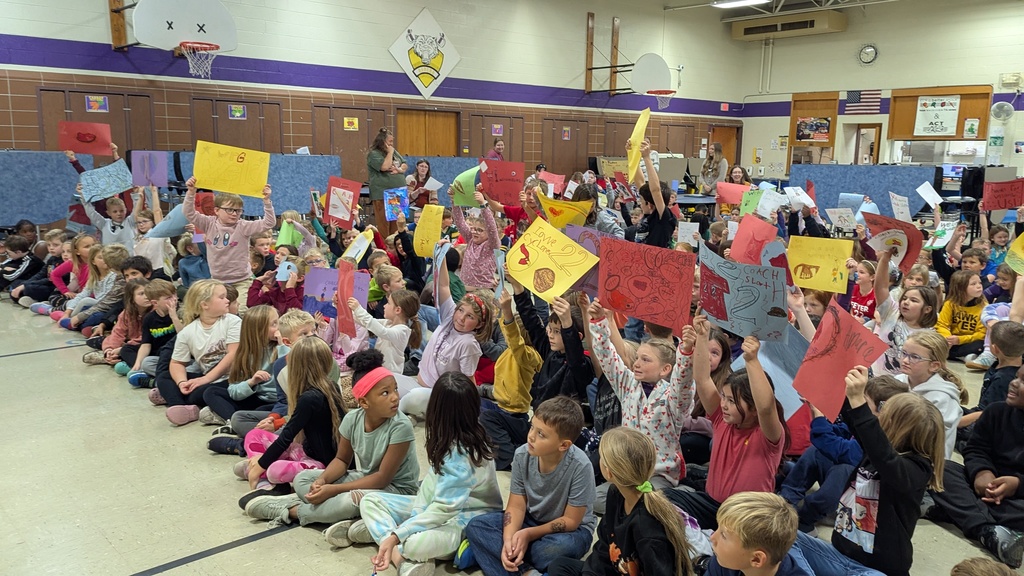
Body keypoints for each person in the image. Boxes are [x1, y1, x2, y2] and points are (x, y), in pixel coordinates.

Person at [243, 349, 420, 534]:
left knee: (352, 500)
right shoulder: (352, 419)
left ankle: (292, 511)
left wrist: (334, 490)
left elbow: (382, 478)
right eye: (385, 393)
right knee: (303, 479)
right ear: (364, 402)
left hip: (396, 490)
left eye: (395, 389)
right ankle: (340, 512)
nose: (395, 397)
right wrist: (322, 480)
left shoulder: (401, 426)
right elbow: (342, 460)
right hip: (365, 478)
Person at [792, 366, 945, 576]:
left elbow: (883, 455)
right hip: (840, 554)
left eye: (883, 415)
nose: (876, 419)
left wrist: (859, 403)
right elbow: (854, 421)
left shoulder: (916, 469)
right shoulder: (875, 450)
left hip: (877, 570)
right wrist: (829, 387)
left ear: (894, 425)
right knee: (779, 536)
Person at [357, 372, 503, 576]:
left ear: (436, 408)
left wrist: (400, 534)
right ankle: (393, 545)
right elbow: (429, 491)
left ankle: (391, 545)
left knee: (414, 544)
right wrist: (408, 525)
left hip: (467, 520)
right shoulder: (449, 436)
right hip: (436, 508)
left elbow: (444, 510)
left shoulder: (463, 454)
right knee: (370, 501)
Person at [665, 317, 788, 529]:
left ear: (752, 406)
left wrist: (752, 361)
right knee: (660, 499)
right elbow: (703, 379)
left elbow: (766, 407)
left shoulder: (767, 435)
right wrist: (702, 337)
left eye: (731, 401)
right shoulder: (723, 420)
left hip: (747, 517)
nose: (723, 404)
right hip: (713, 506)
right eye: (723, 397)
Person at [463, 396, 596, 575]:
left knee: (557, 549)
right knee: (477, 526)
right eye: (532, 427)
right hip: (530, 519)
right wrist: (510, 539)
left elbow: (571, 521)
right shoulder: (521, 455)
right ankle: (525, 570)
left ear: (563, 445)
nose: (531, 436)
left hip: (570, 531)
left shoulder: (581, 466)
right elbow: (516, 506)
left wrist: (527, 535)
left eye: (541, 434)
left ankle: (490, 553)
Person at [588, 298, 696, 511]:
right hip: (626, 472)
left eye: (645, 360)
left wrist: (686, 351)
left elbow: (683, 382)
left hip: (658, 475)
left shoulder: (672, 398)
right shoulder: (627, 384)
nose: (636, 363)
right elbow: (608, 357)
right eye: (637, 358)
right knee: (593, 501)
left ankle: (678, 495)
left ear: (665, 369)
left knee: (648, 505)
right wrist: (598, 320)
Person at [546, 427, 697, 576]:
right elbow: (605, 546)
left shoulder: (647, 528)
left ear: (609, 472)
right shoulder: (615, 494)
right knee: (559, 566)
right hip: (615, 568)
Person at [779, 376, 909, 533]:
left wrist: (818, 415)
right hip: (845, 483)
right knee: (816, 452)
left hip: (856, 504)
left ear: (883, 411)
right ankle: (786, 500)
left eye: (864, 402)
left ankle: (805, 520)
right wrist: (820, 412)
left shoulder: (881, 442)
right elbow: (839, 432)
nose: (858, 405)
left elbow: (837, 449)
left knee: (844, 469)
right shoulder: (868, 424)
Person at [237, 336, 344, 496]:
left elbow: (286, 436)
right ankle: (258, 467)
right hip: (306, 451)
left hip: (321, 465)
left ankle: (260, 475)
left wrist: (262, 465)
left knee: (274, 470)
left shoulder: (311, 397)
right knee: (254, 434)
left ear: (295, 365)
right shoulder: (318, 388)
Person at [400, 243, 492, 419]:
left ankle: (424, 415)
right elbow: (443, 285)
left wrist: (472, 410)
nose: (462, 318)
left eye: (470, 317)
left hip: (436, 396)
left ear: (479, 324)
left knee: (403, 403)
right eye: (461, 310)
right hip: (418, 384)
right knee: (383, 380)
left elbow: (468, 380)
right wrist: (441, 256)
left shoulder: (468, 344)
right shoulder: (450, 315)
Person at [183, 176, 275, 314]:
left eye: (238, 210)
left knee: (242, 312)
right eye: (229, 210)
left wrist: (266, 201)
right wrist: (191, 192)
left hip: (242, 281)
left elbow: (269, 223)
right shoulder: (208, 223)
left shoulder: (243, 226)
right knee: (218, 313)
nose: (234, 214)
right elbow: (188, 213)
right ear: (216, 210)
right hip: (218, 281)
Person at [156, 279, 241, 426]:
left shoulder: (233, 321)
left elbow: (233, 355)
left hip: (233, 379)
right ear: (204, 304)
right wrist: (182, 382)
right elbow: (177, 363)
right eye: (222, 297)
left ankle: (176, 398)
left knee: (208, 392)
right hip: (208, 378)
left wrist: (205, 379)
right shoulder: (188, 332)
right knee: (164, 376)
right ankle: (182, 407)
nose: (227, 300)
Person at [201, 305, 279, 426]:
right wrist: (251, 382)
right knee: (210, 391)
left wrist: (283, 345)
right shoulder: (245, 355)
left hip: (277, 402)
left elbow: (288, 367)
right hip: (256, 397)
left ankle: (231, 418)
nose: (279, 328)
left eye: (278, 322)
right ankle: (232, 421)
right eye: (274, 324)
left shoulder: (283, 348)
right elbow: (233, 390)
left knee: (260, 412)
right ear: (258, 330)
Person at [896, 331, 968, 458]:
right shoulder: (898, 381)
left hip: (926, 463)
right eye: (904, 353)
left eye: (915, 357)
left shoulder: (943, 398)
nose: (905, 360)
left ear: (934, 366)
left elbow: (930, 442)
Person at [707, 492, 814, 576]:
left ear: (756, 559)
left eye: (723, 535)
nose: (712, 537)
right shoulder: (723, 562)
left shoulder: (727, 560)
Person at [956, 321, 1024, 451]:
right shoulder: (1004, 366)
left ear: (994, 348)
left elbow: (987, 412)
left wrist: (956, 424)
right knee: (950, 409)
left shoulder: (1004, 379)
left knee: (948, 430)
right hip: (981, 413)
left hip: (991, 422)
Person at [871, 249, 939, 375]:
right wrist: (885, 259)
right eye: (905, 298)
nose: (906, 302)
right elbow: (880, 286)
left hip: (903, 388)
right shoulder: (892, 312)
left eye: (913, 300)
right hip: (876, 378)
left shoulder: (929, 336)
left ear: (927, 309)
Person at [348, 288, 421, 390]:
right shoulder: (388, 323)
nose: (384, 305)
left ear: (397, 310)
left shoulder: (402, 331)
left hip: (391, 376)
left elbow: (381, 331)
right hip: (381, 372)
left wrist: (358, 309)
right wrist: (343, 306)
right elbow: (365, 322)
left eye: (388, 303)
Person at [126, 279, 182, 388]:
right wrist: (138, 363)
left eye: (174, 295)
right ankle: (160, 378)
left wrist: (174, 317)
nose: (174, 299)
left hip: (179, 355)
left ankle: (156, 382)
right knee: (146, 362)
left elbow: (184, 336)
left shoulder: (181, 312)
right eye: (168, 298)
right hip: (160, 357)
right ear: (155, 303)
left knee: (193, 367)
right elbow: (146, 344)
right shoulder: (149, 318)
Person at [452, 189, 500, 291]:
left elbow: (491, 227)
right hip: (464, 288)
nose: (474, 232)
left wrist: (483, 204)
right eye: (473, 229)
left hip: (484, 291)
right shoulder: (470, 240)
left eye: (480, 230)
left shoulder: (492, 245)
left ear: (489, 234)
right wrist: (454, 201)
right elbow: (460, 222)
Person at [936, 270, 988, 360]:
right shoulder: (950, 304)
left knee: (980, 345)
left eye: (980, 283)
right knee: (933, 338)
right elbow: (942, 324)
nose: (979, 286)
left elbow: (982, 334)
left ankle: (952, 355)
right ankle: (961, 356)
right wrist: (948, 338)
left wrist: (960, 340)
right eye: (973, 284)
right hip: (951, 341)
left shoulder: (985, 307)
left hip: (969, 341)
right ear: (961, 287)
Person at [367, 127, 407, 235]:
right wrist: (390, 154)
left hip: (397, 193)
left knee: (397, 221)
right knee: (384, 223)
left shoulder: (394, 151)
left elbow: (404, 164)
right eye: (390, 141)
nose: (391, 144)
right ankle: (385, 246)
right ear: (382, 141)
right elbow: (384, 167)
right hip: (382, 194)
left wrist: (399, 169)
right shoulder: (374, 154)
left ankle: (395, 244)